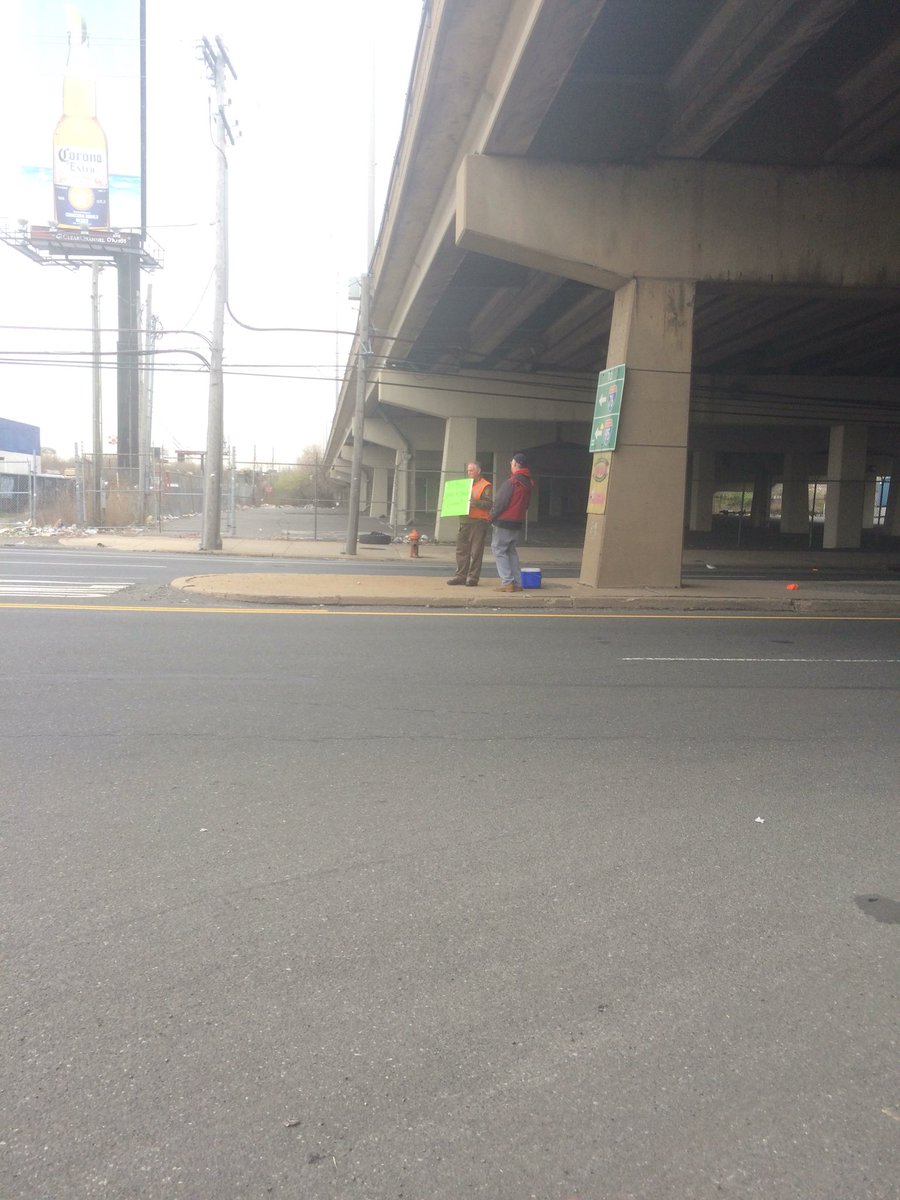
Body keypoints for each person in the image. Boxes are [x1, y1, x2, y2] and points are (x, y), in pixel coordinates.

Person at [489, 453, 533, 592]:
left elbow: (500, 502)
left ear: (516, 464)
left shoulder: (512, 482)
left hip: (504, 521)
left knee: (499, 550)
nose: (510, 464)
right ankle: (518, 583)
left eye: (511, 462)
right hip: (517, 521)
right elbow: (526, 504)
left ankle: (507, 582)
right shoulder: (528, 483)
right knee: (511, 551)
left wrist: (491, 516)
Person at [447, 462, 493, 586]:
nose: (469, 473)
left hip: (478, 522)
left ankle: (473, 578)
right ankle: (461, 576)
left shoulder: (485, 486)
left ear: (478, 471)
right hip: (464, 522)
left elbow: (489, 504)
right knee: (461, 550)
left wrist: (476, 503)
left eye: (472, 470)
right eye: (468, 471)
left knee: (476, 551)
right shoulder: (464, 485)